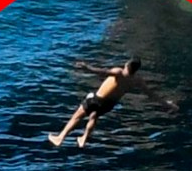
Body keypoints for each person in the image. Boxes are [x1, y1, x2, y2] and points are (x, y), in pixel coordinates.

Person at [48, 57, 178, 149]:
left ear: (127, 65)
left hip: (97, 99)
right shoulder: (137, 80)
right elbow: (151, 94)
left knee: (76, 117)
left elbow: (101, 71)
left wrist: (86, 67)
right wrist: (166, 104)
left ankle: (60, 137)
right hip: (109, 105)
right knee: (94, 116)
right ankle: (84, 138)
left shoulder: (119, 72)